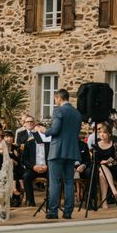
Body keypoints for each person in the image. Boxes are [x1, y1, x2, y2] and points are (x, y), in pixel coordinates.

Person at [38, 88, 82, 219]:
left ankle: (52, 211)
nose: (54, 101)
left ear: (59, 98)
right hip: (72, 150)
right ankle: (68, 212)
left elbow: (55, 130)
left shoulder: (58, 110)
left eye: (55, 99)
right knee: (69, 182)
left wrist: (44, 130)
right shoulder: (77, 113)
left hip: (57, 151)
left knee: (55, 182)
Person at [94, 122, 117, 209]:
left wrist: (107, 162)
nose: (102, 135)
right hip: (101, 169)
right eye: (100, 133)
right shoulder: (97, 144)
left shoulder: (114, 143)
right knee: (101, 172)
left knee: (102, 170)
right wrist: (102, 163)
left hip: (115, 169)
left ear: (109, 134)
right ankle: (112, 189)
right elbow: (96, 159)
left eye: (104, 133)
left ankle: (104, 202)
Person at [21, 130, 49, 207]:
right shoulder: (29, 143)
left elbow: (53, 158)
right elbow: (24, 160)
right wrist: (33, 167)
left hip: (47, 168)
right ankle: (30, 201)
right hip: (33, 168)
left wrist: (47, 166)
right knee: (26, 177)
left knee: (53, 177)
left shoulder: (49, 143)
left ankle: (50, 200)